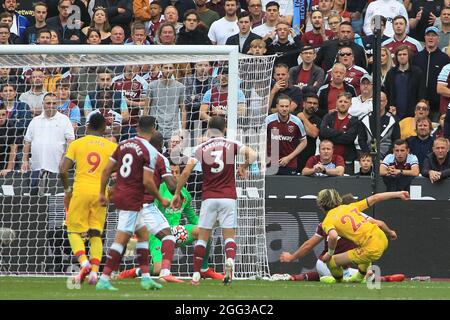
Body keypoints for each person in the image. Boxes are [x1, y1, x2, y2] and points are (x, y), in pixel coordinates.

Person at [118, 134, 224, 281]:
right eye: (171, 172)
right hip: (157, 234)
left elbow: (192, 217)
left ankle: (204, 268)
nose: (174, 175)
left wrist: (208, 223)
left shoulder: (184, 193)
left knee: (203, 232)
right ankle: (134, 272)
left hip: (176, 231)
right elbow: (149, 215)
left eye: (177, 173)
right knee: (157, 270)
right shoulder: (159, 189)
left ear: (181, 174)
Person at [171, 116, 258, 285]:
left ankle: (196, 275)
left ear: (209, 129)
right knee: (229, 237)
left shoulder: (201, 147)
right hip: (228, 197)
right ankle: (230, 268)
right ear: (224, 128)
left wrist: (177, 192)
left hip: (209, 198)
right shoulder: (232, 144)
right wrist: (243, 166)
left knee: (203, 237)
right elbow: (253, 154)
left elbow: (186, 173)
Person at [96, 116, 169, 291]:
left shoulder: (123, 144)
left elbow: (107, 170)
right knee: (121, 239)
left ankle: (145, 278)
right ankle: (104, 278)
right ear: (153, 130)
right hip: (133, 198)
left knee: (143, 234)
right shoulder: (150, 151)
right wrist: (161, 198)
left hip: (121, 193)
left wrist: (102, 192)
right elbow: (147, 181)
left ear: (137, 128)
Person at [59, 112, 117, 285]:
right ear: (104, 128)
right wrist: (112, 190)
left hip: (81, 191)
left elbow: (63, 170)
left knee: (73, 231)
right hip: (101, 193)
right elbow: (124, 172)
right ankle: (95, 272)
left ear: (87, 126)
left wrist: (68, 190)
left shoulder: (77, 144)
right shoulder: (112, 147)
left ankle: (84, 263)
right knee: (95, 233)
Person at [317, 188, 409, 284]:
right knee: (362, 250)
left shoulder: (327, 221)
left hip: (371, 248)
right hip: (382, 238)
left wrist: (329, 253)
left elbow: (333, 236)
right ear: (338, 199)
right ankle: (360, 277)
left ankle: (340, 282)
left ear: (320, 205)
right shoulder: (350, 207)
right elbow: (375, 198)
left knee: (331, 261)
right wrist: (398, 193)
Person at [21, 93, 75, 195]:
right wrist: (25, 161)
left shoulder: (64, 120)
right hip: (36, 167)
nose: (51, 105)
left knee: (54, 198)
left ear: (58, 104)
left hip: (57, 168)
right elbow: (27, 141)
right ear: (43, 104)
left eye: (54, 103)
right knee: (35, 198)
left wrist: (65, 159)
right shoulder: (35, 121)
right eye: (48, 103)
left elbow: (71, 141)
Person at [412, 27, 450, 120]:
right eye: (428, 35)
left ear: (438, 38)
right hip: (418, 104)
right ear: (424, 38)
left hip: (437, 104)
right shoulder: (416, 57)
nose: (430, 38)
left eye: (433, 35)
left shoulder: (444, 58)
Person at [266, 94, 307, 175]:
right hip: (271, 163)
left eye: (286, 106)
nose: (284, 109)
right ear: (277, 106)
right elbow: (262, 140)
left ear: (290, 106)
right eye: (282, 106)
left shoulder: (297, 122)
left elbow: (304, 142)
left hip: (290, 163)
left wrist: (289, 158)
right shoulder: (268, 120)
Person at [319, 92, 360, 173]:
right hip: (327, 159)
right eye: (340, 101)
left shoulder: (354, 120)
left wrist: (330, 135)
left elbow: (348, 139)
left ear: (350, 104)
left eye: (346, 102)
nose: (343, 104)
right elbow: (323, 133)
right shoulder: (328, 116)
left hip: (346, 159)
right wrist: (341, 133)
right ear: (336, 102)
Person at [383, 45, 426, 121]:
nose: (402, 57)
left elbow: (421, 92)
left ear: (409, 56)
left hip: (412, 114)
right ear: (396, 57)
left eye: (404, 54)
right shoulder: (391, 73)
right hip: (394, 113)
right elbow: (387, 93)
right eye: (399, 54)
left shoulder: (417, 72)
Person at [147, 63, 186, 143]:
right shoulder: (152, 86)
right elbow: (146, 108)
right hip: (156, 129)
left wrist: (183, 130)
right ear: (160, 68)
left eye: (170, 68)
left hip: (173, 129)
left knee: (174, 154)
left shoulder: (180, 87)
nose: (168, 70)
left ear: (174, 69)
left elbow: (183, 110)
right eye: (165, 67)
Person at [358, 91, 400, 159]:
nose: (378, 103)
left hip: (389, 159)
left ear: (386, 102)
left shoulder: (393, 120)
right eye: (376, 100)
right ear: (372, 102)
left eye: (381, 101)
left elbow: (396, 140)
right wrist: (369, 157)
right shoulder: (364, 119)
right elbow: (361, 140)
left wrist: (387, 158)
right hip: (368, 159)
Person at [296, 93, 322, 172]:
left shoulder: (318, 120)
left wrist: (303, 118)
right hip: (293, 156)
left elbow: (314, 134)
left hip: (308, 157)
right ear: (304, 104)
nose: (312, 105)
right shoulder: (293, 116)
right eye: (309, 103)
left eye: (315, 104)